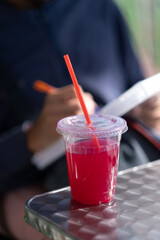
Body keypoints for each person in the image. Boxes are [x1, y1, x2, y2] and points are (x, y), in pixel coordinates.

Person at [0, 0, 160, 239]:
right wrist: (30, 138)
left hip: (126, 156)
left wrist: (147, 113)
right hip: (36, 184)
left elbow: (134, 87)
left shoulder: (100, 7)